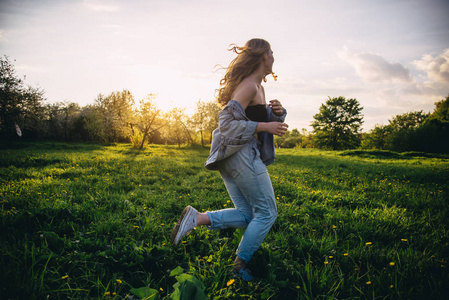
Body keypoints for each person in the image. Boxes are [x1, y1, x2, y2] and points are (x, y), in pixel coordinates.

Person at [171, 38, 288, 281]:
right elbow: (226, 123)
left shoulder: (258, 87)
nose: (274, 56)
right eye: (271, 52)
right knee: (267, 213)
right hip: (242, 155)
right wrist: (266, 124)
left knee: (247, 214)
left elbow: (247, 117)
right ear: (262, 56)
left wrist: (275, 113)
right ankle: (239, 267)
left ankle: (197, 218)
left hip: (233, 157)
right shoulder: (249, 86)